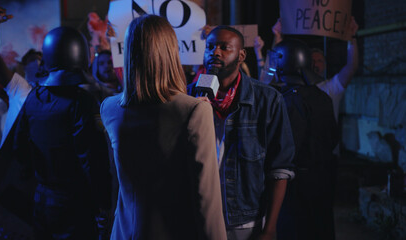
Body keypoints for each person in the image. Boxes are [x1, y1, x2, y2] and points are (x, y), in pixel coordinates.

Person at [0, 6, 112, 240]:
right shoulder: (81, 102)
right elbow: (93, 159)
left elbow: (20, 148)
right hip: (75, 204)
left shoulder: (33, 98)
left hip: (42, 199)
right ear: (81, 56)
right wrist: (104, 203)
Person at [100, 14, 227, 240]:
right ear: (170, 52)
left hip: (125, 233)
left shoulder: (109, 108)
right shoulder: (195, 111)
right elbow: (207, 199)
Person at [188, 25, 295, 240]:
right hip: (197, 216)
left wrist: (270, 228)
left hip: (244, 221)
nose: (215, 52)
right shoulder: (189, 95)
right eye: (210, 47)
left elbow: (280, 168)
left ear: (241, 55)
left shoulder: (267, 99)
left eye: (224, 47)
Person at [270, 38, 339, 240]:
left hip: (297, 186)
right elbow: (332, 137)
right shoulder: (321, 95)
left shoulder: (291, 100)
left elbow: (288, 148)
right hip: (322, 179)